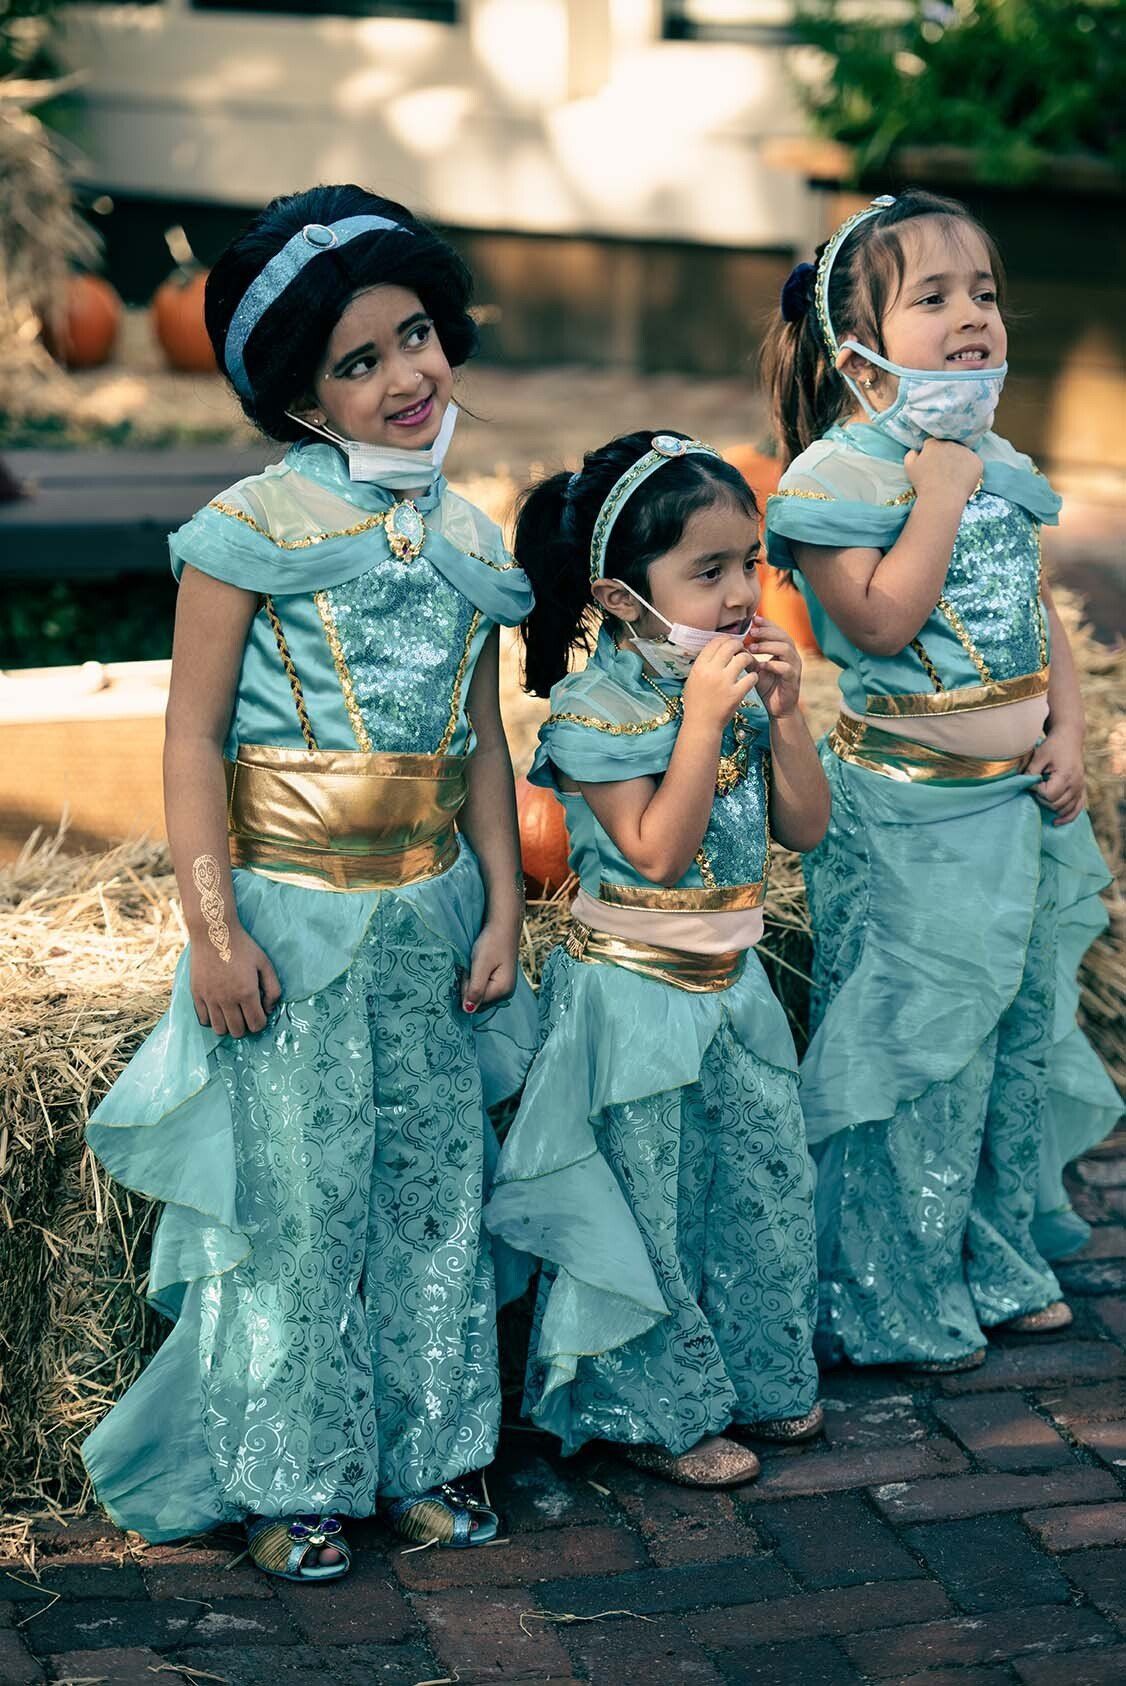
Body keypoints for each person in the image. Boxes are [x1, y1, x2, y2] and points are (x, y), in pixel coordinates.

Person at [80, 184, 539, 1574]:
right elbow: (192, 735)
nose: (406, 375)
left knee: (429, 1191)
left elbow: (477, 744)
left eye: (416, 335)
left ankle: (433, 1449)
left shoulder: (466, 538)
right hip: (289, 917)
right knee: (298, 1201)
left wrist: (506, 904)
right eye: (358, 360)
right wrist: (214, 931)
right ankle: (293, 1472)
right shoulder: (249, 532)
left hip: (425, 915)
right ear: (297, 392)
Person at [762, 189, 1122, 1374]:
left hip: (1015, 807)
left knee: (1016, 1034)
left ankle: (994, 1249)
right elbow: (874, 624)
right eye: (933, 297)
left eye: (985, 294)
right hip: (911, 819)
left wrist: (1065, 732)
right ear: (854, 350)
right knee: (924, 1055)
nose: (972, 316)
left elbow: (1031, 616)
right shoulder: (836, 478)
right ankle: (888, 1284)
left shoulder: (991, 462)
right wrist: (932, 496)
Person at [485, 430, 827, 1486]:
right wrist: (704, 721)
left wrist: (787, 713)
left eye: (751, 563)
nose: (740, 593)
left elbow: (803, 831)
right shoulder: (596, 711)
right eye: (708, 570)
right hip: (633, 1001)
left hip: (733, 988)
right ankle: (655, 1414)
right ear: (623, 597)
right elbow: (656, 851)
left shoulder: (727, 684)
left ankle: (759, 1380)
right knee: (653, 1210)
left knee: (761, 1186)